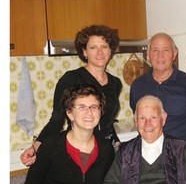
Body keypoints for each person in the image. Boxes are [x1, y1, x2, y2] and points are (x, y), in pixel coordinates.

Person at [21, 24, 122, 166]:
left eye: (104, 46)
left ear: (110, 50)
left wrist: (116, 142)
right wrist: (35, 147)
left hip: (107, 149)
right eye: (93, 47)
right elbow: (57, 120)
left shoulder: (115, 82)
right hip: (80, 148)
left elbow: (107, 120)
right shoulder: (71, 79)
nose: (100, 52)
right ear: (84, 52)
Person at [99, 95, 186, 184]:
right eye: (142, 118)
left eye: (153, 117)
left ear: (163, 118)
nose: (148, 124)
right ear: (135, 121)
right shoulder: (125, 152)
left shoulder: (181, 149)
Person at [18, 85, 115, 184]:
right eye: (81, 107)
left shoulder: (106, 149)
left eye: (94, 107)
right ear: (70, 113)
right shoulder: (51, 146)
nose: (89, 112)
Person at [129, 33, 186, 152]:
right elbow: (138, 117)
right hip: (147, 155)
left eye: (166, 50)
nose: (160, 55)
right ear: (148, 55)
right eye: (155, 50)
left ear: (174, 53)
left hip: (181, 155)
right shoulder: (137, 85)